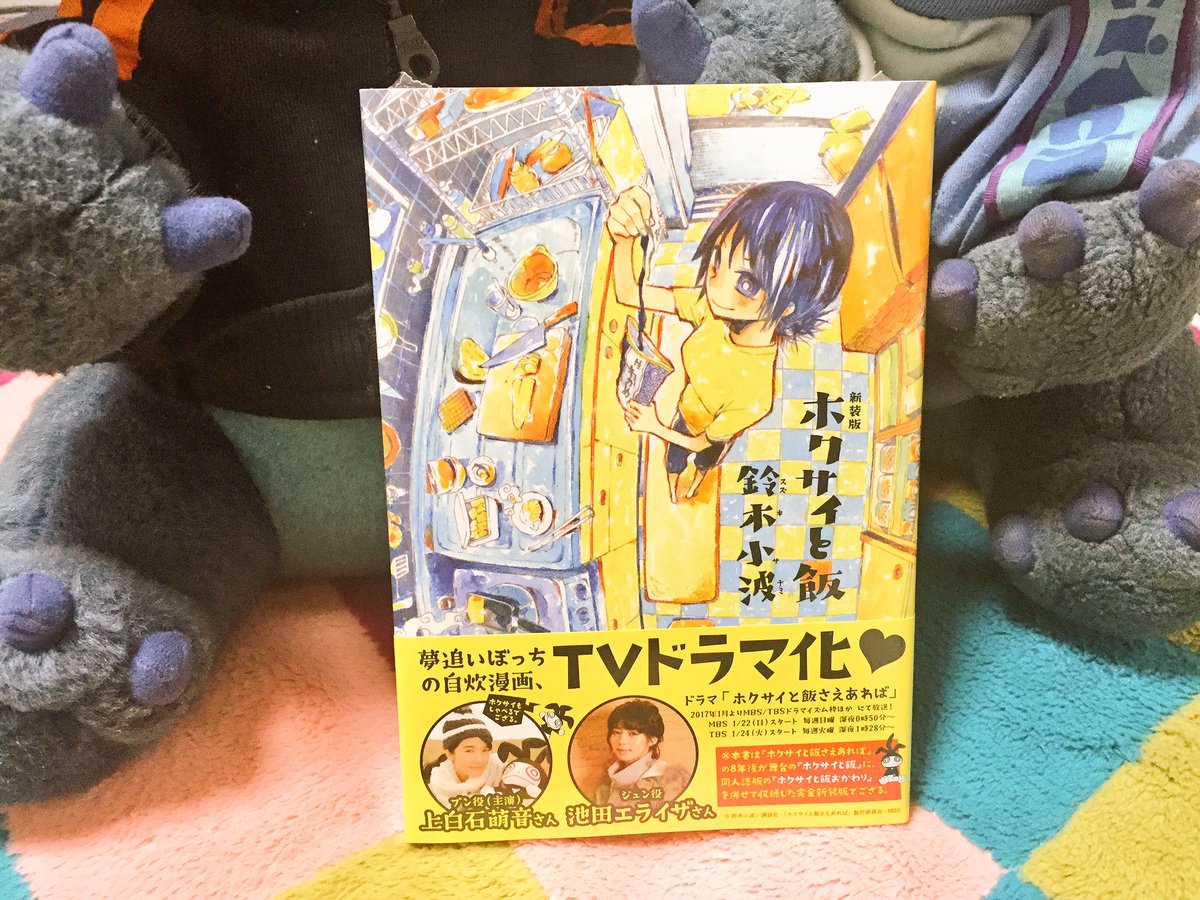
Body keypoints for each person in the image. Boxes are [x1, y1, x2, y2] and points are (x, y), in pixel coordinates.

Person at [607, 182, 854, 501]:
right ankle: (674, 488)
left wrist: (654, 426)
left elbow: (700, 443)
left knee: (703, 461)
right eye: (716, 261)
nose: (715, 288)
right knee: (673, 460)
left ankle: (694, 483)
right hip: (686, 411)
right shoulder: (710, 310)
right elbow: (629, 293)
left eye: (747, 283)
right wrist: (623, 238)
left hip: (711, 435)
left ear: (788, 306)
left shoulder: (756, 394)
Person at [594, 700, 689, 810]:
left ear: (652, 740)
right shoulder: (605, 785)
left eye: (633, 733)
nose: (621, 741)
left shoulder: (668, 782)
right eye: (616, 732)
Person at [426, 713, 505, 808]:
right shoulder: (435, 787)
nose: (479, 759)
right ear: (450, 754)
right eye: (469, 751)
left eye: (485, 750)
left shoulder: (501, 772)